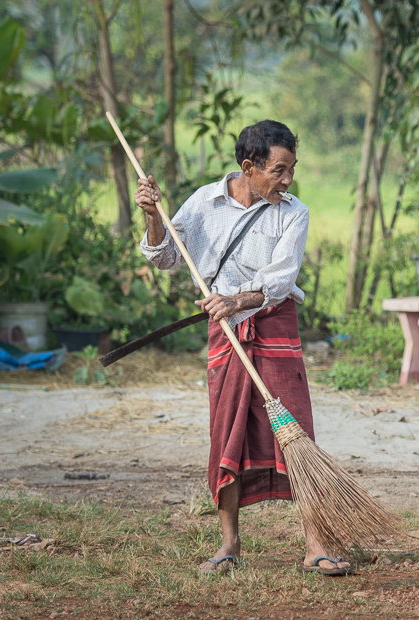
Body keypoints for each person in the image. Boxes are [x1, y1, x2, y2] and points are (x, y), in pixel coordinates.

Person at [135, 120, 351, 576]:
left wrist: (237, 299)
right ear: (249, 167)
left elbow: (281, 278)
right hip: (225, 330)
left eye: (291, 169)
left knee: (296, 430)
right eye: (279, 170)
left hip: (272, 324)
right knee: (226, 430)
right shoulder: (204, 203)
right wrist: (154, 216)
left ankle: (316, 544)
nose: (287, 180)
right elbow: (165, 256)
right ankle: (229, 544)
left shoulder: (293, 212)